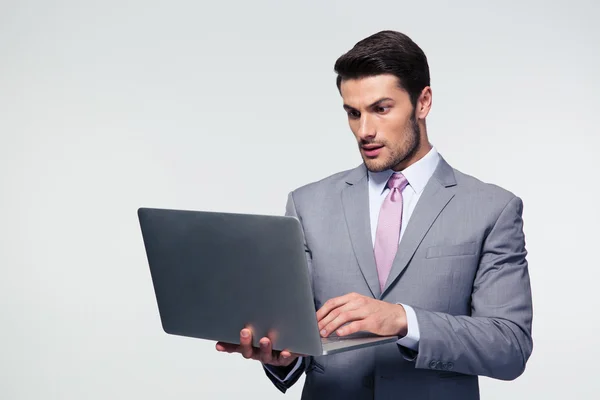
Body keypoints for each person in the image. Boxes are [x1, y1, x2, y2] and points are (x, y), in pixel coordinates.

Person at [216, 30, 533, 400]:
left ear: (423, 101)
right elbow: (300, 338)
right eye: (353, 113)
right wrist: (278, 354)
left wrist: (403, 320)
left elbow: (509, 347)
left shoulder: (491, 209)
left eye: (381, 109)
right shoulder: (308, 204)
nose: (364, 131)